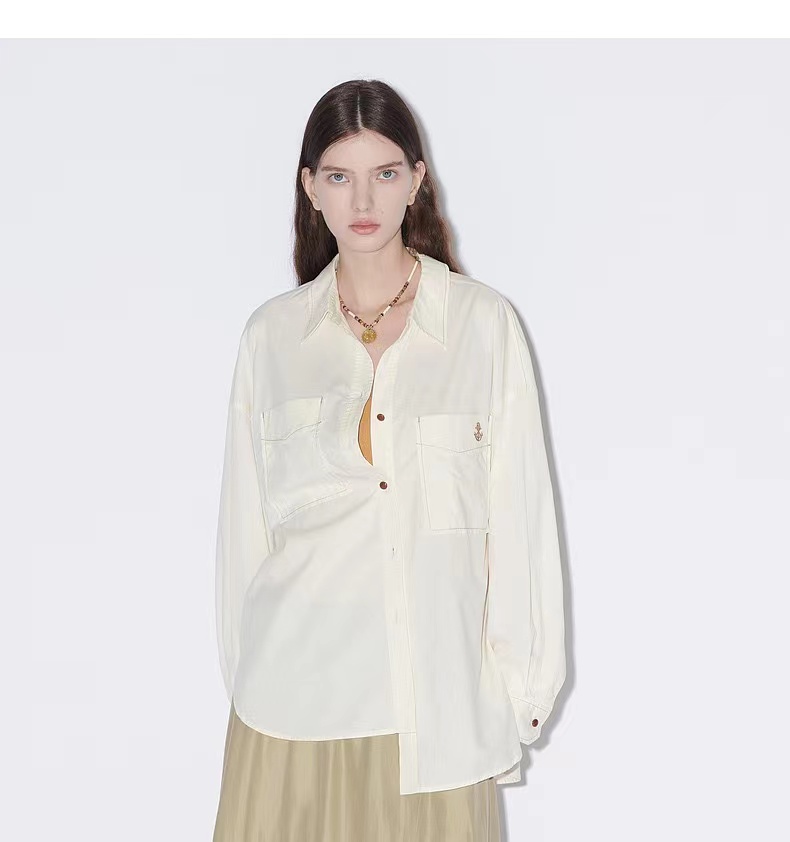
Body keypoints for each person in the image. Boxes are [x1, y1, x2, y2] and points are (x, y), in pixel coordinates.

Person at [211, 78, 567, 842]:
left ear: (416, 179)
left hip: (436, 723)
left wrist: (519, 695)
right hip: (289, 717)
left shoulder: (481, 326)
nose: (363, 198)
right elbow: (243, 542)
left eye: (384, 172)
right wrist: (247, 684)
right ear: (311, 189)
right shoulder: (271, 339)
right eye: (340, 176)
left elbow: (520, 521)